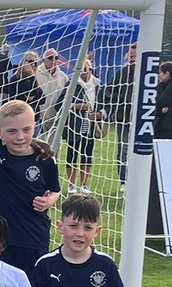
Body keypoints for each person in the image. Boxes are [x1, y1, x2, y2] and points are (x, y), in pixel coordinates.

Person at [0, 100, 60, 282]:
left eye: (26, 130)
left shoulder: (44, 158)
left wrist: (49, 201)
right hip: (1, 239)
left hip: (34, 237)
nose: (20, 137)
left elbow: (55, 190)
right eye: (12, 131)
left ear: (35, 127)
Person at [63, 57, 104, 194]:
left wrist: (99, 114)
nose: (84, 71)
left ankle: (84, 184)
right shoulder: (71, 84)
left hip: (90, 125)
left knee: (87, 154)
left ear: (91, 69)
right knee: (72, 154)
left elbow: (107, 103)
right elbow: (60, 103)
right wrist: (75, 106)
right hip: (74, 125)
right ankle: (71, 184)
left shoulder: (98, 85)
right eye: (81, 68)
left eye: (86, 68)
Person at [105, 43, 138, 187]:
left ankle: (137, 178)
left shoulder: (146, 74)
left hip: (140, 120)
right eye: (130, 55)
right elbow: (109, 91)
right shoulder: (121, 73)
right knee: (123, 149)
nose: (132, 58)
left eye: (134, 56)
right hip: (123, 118)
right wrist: (116, 104)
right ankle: (123, 181)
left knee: (139, 149)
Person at [147, 60, 172, 234]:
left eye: (160, 73)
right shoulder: (162, 87)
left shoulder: (168, 88)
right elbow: (158, 105)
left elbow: (161, 102)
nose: (158, 76)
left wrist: (164, 108)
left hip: (165, 135)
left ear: (167, 73)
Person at [35, 48, 68, 137]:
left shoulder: (63, 77)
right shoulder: (36, 74)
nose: (53, 60)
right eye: (50, 58)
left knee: (54, 145)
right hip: (39, 119)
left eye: (56, 58)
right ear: (43, 60)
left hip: (56, 119)